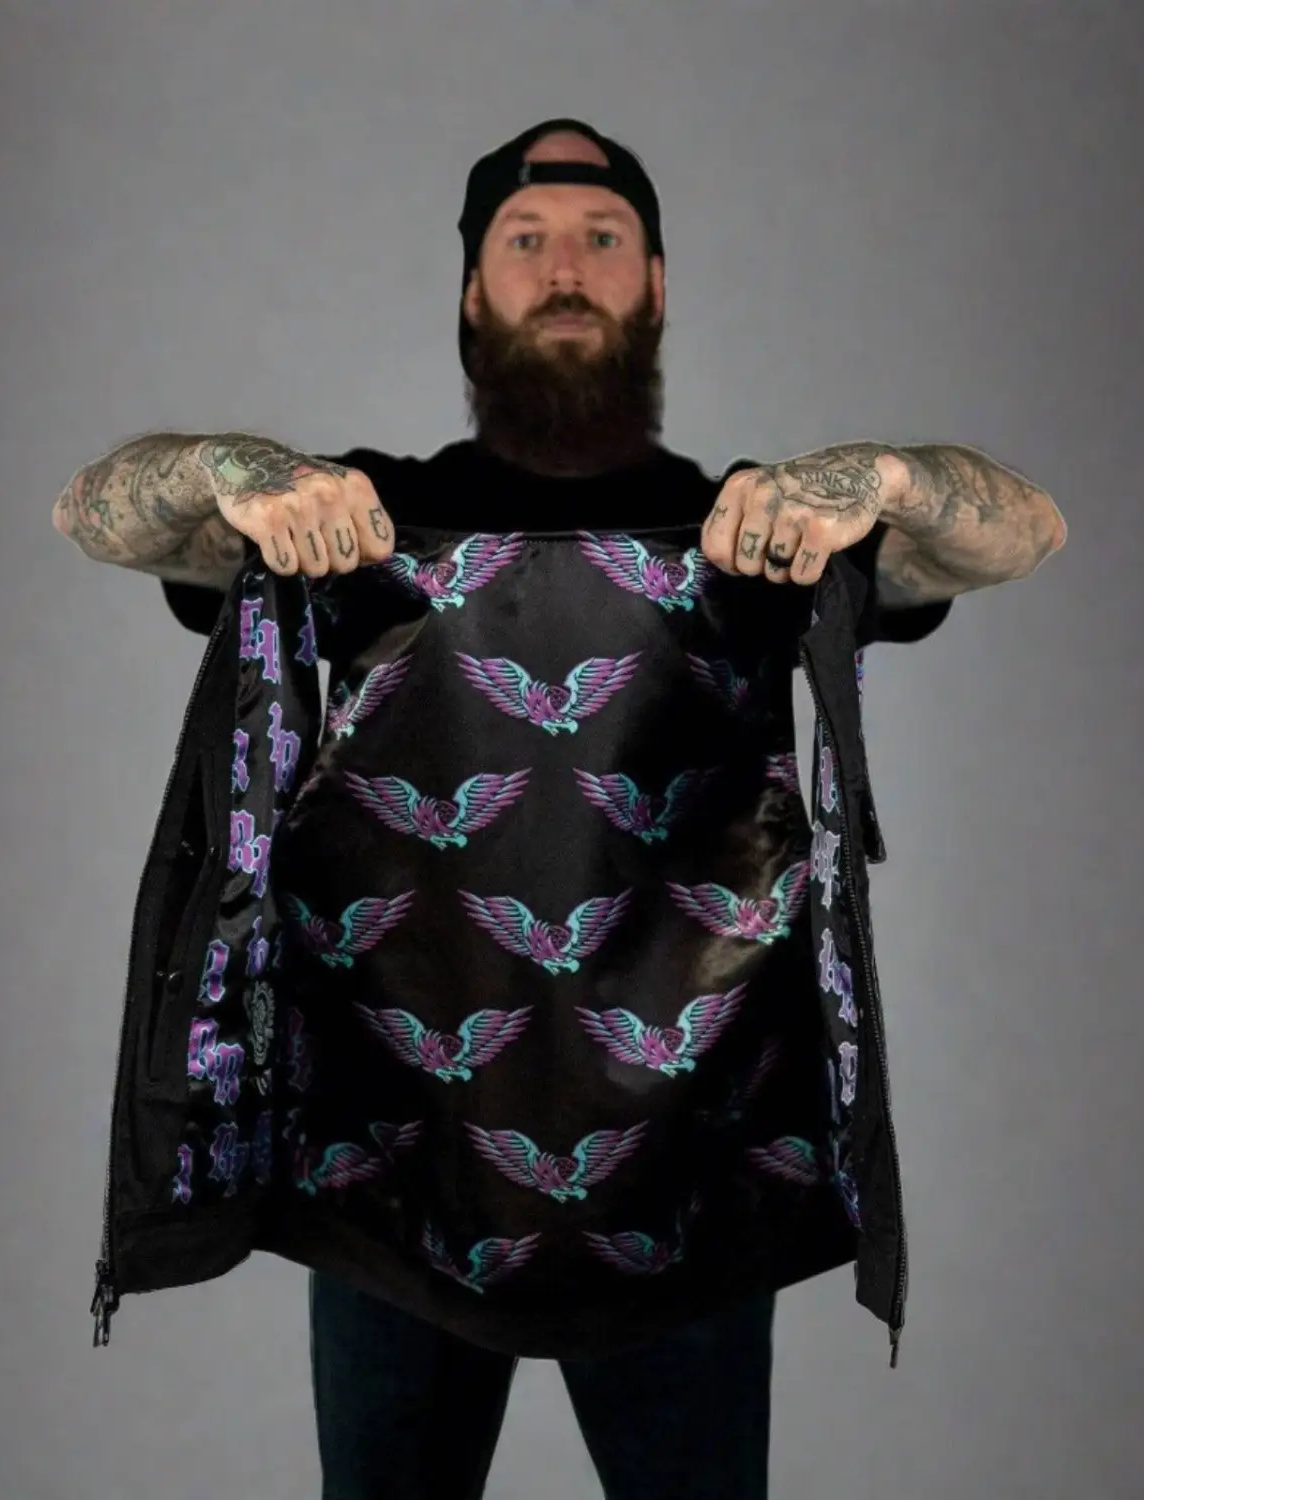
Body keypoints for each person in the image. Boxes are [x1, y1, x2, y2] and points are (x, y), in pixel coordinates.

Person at [52, 118, 1064, 1500]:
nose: (565, 268)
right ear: (473, 290)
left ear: (658, 284)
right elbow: (98, 515)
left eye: (602, 237)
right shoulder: (357, 516)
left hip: (688, 1176)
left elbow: (1021, 533)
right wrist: (236, 473)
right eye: (525, 241)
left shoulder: (757, 530)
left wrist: (876, 485)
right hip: (392, 1170)